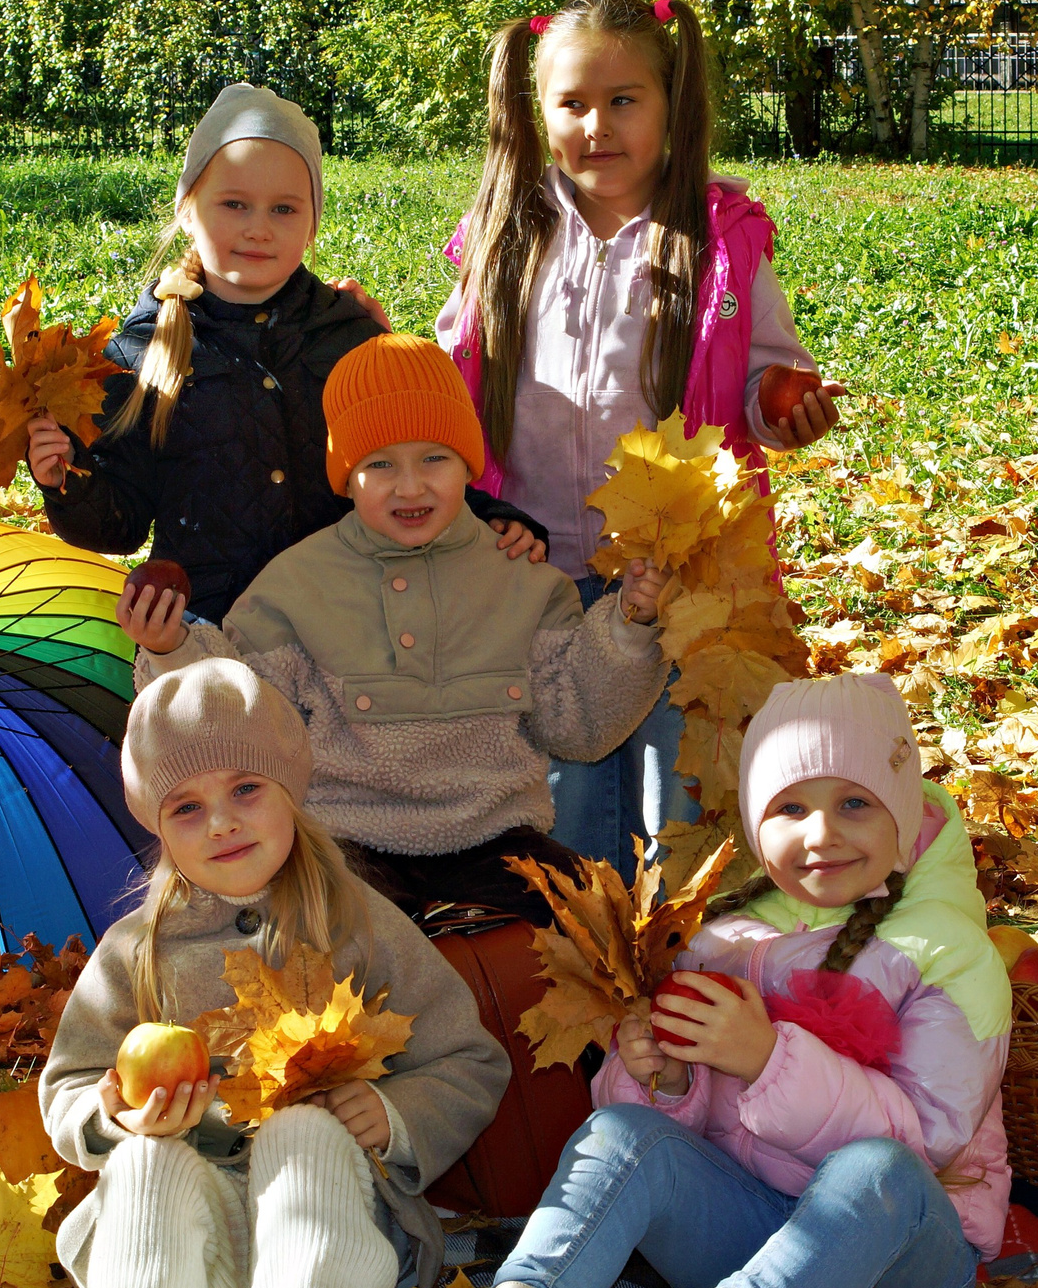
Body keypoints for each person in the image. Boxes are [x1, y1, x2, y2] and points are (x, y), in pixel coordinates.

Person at [389, 674, 1011, 1288]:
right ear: (756, 825)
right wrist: (663, 1077)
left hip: (900, 1265)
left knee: (876, 1173)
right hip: (749, 1231)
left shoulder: (948, 952)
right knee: (619, 1136)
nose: (821, 832)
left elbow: (928, 1141)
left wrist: (765, 1058)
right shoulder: (720, 936)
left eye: (854, 803)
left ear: (902, 806)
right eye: (790, 808)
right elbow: (653, 1131)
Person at [37, 659, 508, 1288]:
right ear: (159, 830)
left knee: (304, 1125)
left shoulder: (355, 920)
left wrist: (395, 1115)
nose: (221, 821)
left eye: (246, 787)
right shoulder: (138, 949)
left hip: (333, 1243)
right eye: (186, 807)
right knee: (147, 1161)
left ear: (291, 788)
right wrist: (113, 1114)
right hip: (191, 1264)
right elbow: (67, 1085)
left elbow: (467, 1055)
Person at [436, 0, 848, 876]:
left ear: (670, 106)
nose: (598, 125)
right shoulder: (508, 238)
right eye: (573, 103)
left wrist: (780, 407)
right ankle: (593, 980)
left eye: (624, 100)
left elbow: (758, 368)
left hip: (683, 575)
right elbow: (449, 381)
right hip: (538, 575)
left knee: (679, 802)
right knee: (570, 807)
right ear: (537, 111)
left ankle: (680, 968)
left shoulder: (715, 242)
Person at [117, 332, 668, 927]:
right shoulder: (294, 586)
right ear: (345, 474)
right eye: (380, 465)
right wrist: (173, 649)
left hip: (495, 835)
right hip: (346, 841)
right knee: (327, 939)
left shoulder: (524, 582)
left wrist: (631, 627)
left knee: (591, 927)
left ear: (469, 466)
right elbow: (242, 716)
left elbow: (578, 724)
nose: (410, 487)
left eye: (435, 458)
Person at [28, 82, 545, 625]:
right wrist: (67, 480)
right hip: (206, 629)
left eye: (284, 209)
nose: (258, 228)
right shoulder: (140, 350)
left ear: (312, 223)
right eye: (234, 204)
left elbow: (410, 464)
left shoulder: (348, 337)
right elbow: (122, 522)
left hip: (344, 624)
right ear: (187, 209)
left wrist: (488, 517)